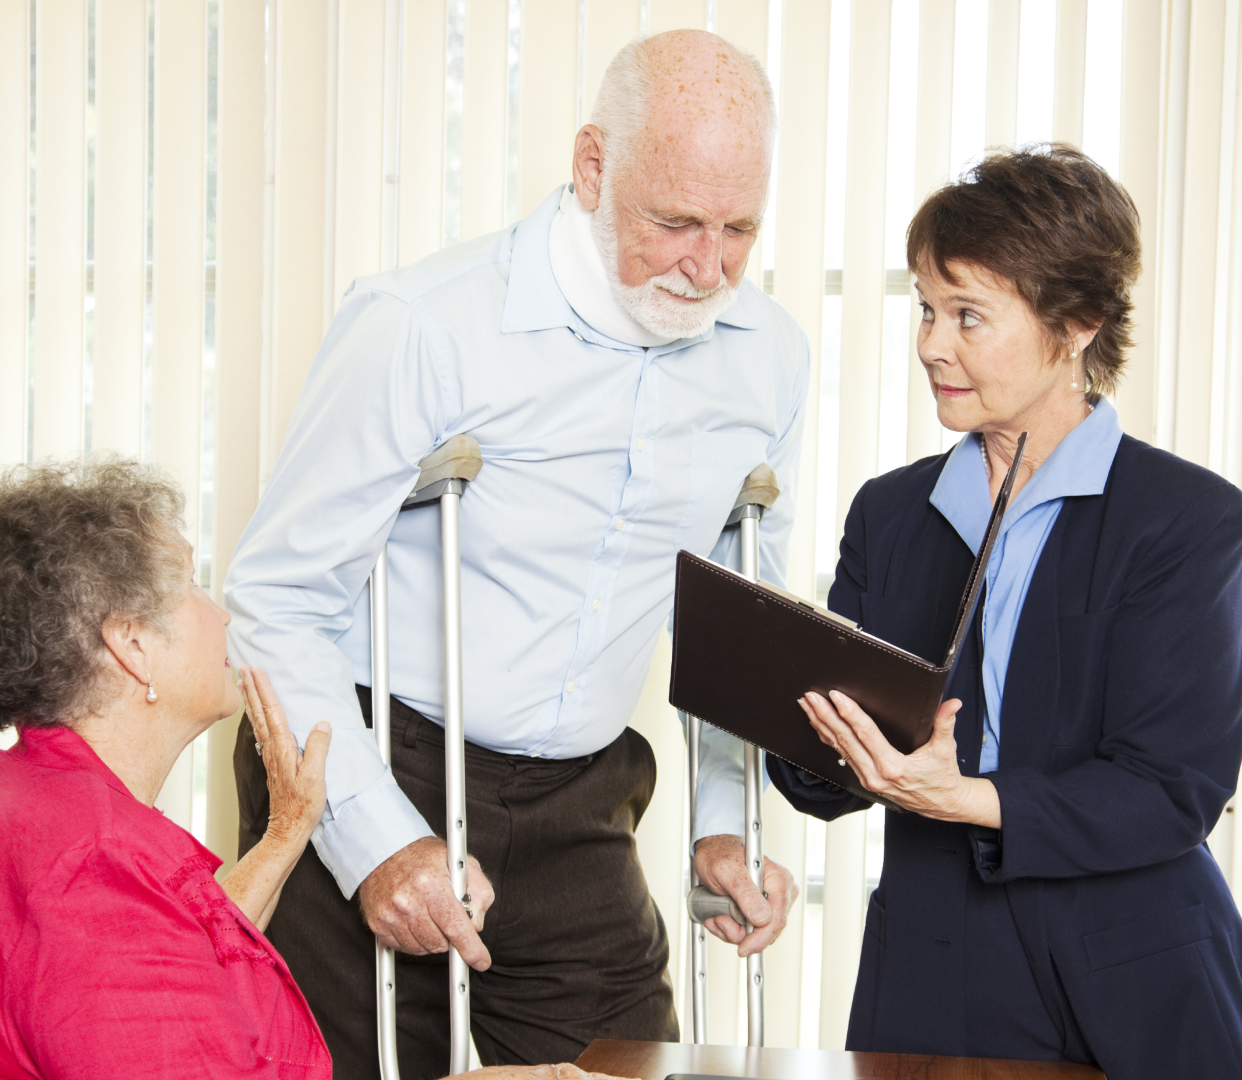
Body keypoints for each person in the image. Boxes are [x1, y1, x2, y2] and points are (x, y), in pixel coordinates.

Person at [224, 30, 806, 1080]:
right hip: (374, 755)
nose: (706, 266)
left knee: (625, 1065)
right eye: (674, 222)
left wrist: (723, 824)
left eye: (738, 230)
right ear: (591, 167)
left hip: (581, 796)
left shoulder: (766, 359)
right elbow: (276, 599)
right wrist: (372, 843)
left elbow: (738, 623)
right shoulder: (424, 326)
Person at [772, 145, 1242, 1077]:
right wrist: (798, 713)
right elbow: (819, 775)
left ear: (1077, 323)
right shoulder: (891, 513)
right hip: (927, 970)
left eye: (969, 315)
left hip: (1126, 975)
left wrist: (966, 798)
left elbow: (1172, 789)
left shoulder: (1184, 518)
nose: (931, 344)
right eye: (926, 309)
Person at [0, 459, 620, 1080]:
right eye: (190, 586)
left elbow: (180, 956)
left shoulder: (42, 796)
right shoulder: (88, 865)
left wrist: (289, 830)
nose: (220, 614)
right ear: (132, 645)